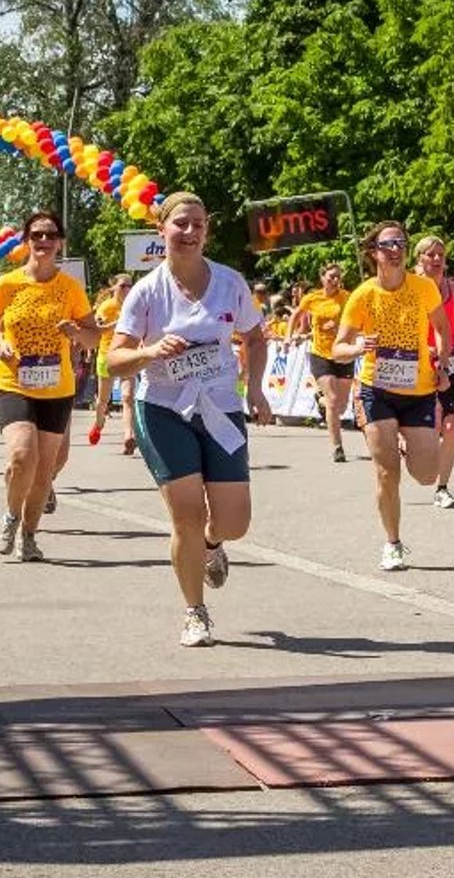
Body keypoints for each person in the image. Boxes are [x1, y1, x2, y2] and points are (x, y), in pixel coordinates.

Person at [106, 193, 272, 646]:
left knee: (234, 521)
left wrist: (255, 388)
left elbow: (255, 338)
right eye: (181, 223)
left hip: (219, 408)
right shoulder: (146, 291)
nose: (190, 232)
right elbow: (114, 360)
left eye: (198, 224)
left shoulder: (230, 282)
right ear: (162, 231)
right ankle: (195, 612)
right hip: (162, 409)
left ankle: (213, 545)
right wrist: (148, 351)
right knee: (186, 515)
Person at [0, 212, 98, 563]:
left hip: (56, 387)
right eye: (36, 235)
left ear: (60, 242)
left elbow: (92, 334)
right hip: (14, 381)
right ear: (26, 240)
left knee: (44, 470)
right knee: (20, 456)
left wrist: (78, 335)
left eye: (50, 235)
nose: (43, 241)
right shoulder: (8, 284)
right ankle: (11, 517)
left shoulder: (70, 288)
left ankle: (29, 535)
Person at [334, 220, 454, 573]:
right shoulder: (363, 294)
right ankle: (392, 543)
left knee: (426, 474)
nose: (397, 248)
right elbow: (339, 348)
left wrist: (443, 364)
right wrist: (357, 346)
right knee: (387, 472)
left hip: (418, 391)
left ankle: (407, 444)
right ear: (374, 253)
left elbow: (442, 329)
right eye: (388, 244)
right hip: (376, 390)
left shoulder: (423, 287)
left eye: (401, 242)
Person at [416, 235, 454, 509]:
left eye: (441, 254)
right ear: (419, 259)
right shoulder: (410, 289)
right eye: (430, 254)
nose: (437, 259)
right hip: (417, 365)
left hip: (450, 363)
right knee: (429, 428)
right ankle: (413, 451)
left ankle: (442, 487)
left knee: (451, 426)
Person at [296, 261, 355, 462]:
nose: (335, 280)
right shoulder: (312, 298)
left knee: (342, 404)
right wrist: (288, 336)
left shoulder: (347, 297)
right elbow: (296, 315)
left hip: (343, 352)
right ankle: (338, 447)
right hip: (321, 354)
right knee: (332, 400)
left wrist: (338, 324)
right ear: (322, 278)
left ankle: (319, 400)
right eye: (331, 277)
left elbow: (356, 318)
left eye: (338, 277)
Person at [86, 276, 132, 448]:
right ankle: (98, 425)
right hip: (107, 356)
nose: (127, 289)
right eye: (123, 286)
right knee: (103, 400)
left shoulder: (133, 305)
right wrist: (118, 323)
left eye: (129, 286)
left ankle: (128, 435)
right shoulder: (106, 307)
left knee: (128, 397)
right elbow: (98, 330)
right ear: (114, 288)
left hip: (128, 355)